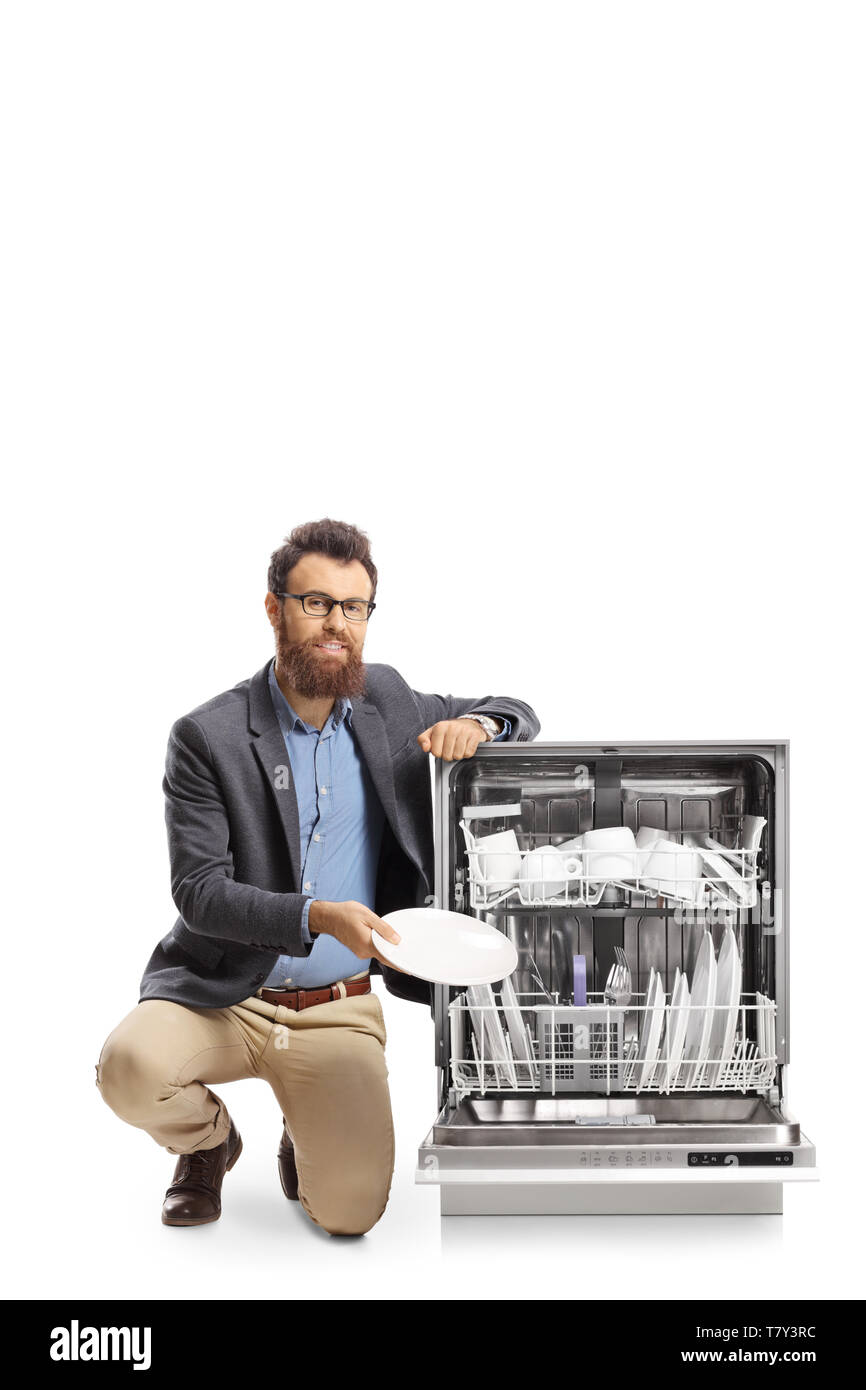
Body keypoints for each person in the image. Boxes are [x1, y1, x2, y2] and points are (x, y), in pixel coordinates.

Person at [94, 518, 540, 1236]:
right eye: (316, 603)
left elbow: (519, 710)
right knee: (128, 1068)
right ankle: (208, 1143)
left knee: (350, 1216)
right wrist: (315, 916)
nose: (337, 624)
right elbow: (199, 892)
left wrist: (483, 725)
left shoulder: (389, 701)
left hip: (338, 1004)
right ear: (275, 608)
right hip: (227, 995)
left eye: (353, 607)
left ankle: (304, 1127)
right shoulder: (207, 736)